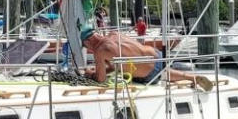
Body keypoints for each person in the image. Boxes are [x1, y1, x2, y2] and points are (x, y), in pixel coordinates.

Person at [82, 28, 212, 88]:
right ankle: (191, 77)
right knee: (161, 70)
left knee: (159, 74)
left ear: (88, 42)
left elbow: (101, 79)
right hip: (155, 54)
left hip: (148, 73)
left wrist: (91, 74)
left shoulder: (99, 51)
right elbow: (117, 63)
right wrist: (104, 68)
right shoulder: (114, 34)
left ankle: (190, 77)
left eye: (85, 46)